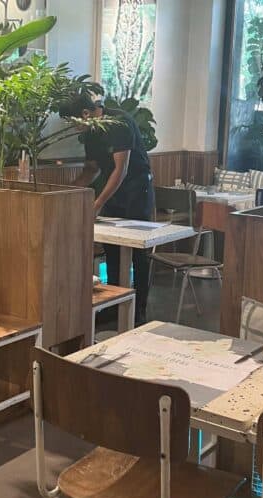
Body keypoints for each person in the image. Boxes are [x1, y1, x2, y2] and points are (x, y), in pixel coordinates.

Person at [59, 93, 154, 325]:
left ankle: (139, 311)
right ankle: (114, 307)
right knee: (112, 250)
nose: (72, 128)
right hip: (112, 190)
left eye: (72, 122)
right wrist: (63, 194)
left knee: (138, 253)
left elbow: (121, 169)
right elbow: (91, 171)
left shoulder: (118, 123)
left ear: (85, 114)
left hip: (136, 189)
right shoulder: (90, 134)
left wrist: (97, 203)